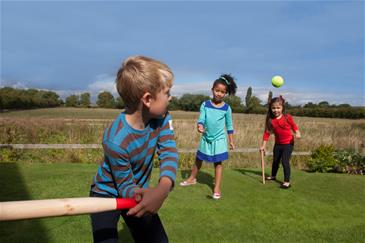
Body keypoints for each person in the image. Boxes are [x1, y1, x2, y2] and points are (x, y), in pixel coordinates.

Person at [89, 56, 178, 243]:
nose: (171, 98)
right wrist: (147, 195)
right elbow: (124, 186)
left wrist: (162, 189)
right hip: (106, 194)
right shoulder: (115, 140)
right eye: (167, 93)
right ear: (147, 99)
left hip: (138, 192)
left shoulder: (161, 117)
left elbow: (169, 151)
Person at [180, 74, 237, 200]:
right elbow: (201, 119)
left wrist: (231, 141)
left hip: (220, 139)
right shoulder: (205, 104)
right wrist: (199, 126)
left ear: (225, 93)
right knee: (199, 159)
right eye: (217, 91)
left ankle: (216, 187)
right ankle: (191, 179)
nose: (219, 94)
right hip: (206, 137)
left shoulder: (227, 108)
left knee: (218, 162)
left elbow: (229, 125)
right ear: (212, 89)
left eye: (223, 92)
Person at [259, 95, 301, 189]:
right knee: (275, 161)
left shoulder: (287, 117)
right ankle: (273, 176)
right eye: (273, 108)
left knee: (285, 161)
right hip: (278, 144)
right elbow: (267, 133)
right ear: (270, 108)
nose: (276, 110)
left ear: (282, 108)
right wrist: (263, 146)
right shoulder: (270, 120)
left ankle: (286, 181)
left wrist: (297, 132)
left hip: (288, 143)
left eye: (278, 107)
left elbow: (294, 126)